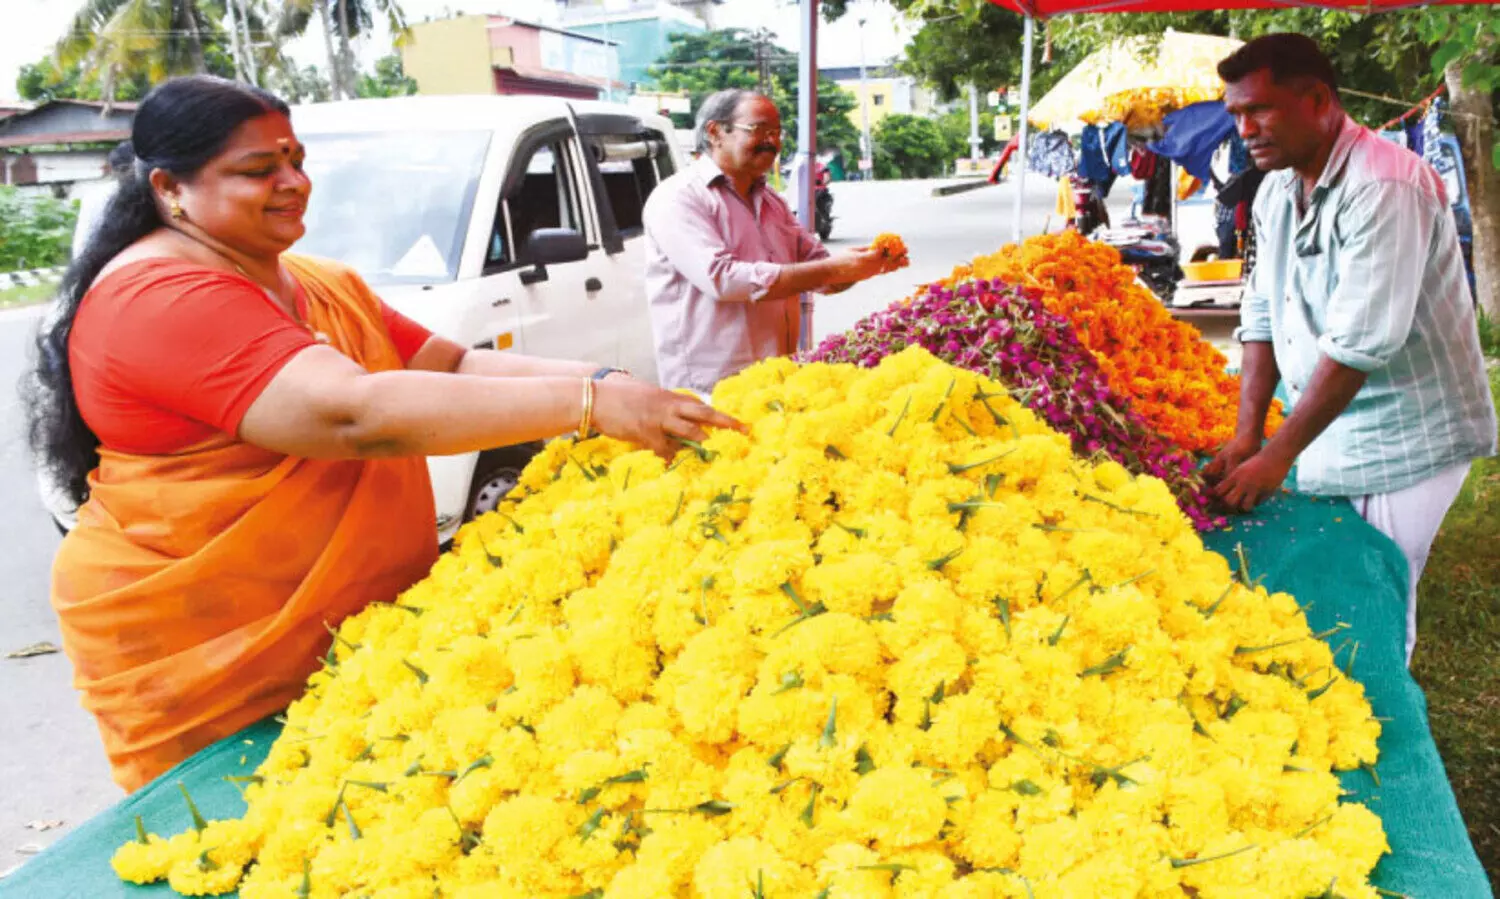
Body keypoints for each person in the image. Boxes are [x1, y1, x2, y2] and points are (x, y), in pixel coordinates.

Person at [22, 75, 741, 791]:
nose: (293, 183)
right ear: (169, 188)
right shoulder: (157, 296)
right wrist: (590, 405)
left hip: (350, 636)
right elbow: (352, 416)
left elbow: (452, 364)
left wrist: (611, 383)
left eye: (295, 160)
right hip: (211, 645)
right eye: (258, 169)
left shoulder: (317, 281)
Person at [1204, 35, 1497, 663]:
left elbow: (1360, 346)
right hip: (1333, 424)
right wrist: (1247, 435)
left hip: (1407, 434)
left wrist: (1277, 455)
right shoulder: (1277, 189)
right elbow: (1261, 314)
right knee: (1334, 583)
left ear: (1317, 100)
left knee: (1376, 598)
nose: (1245, 130)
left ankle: (1379, 712)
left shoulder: (1386, 184)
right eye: (1235, 114)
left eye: (1259, 109)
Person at [642, 89, 902, 395]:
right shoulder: (679, 197)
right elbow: (723, 279)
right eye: (759, 129)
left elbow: (819, 271)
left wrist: (864, 265)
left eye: (777, 132)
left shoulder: (771, 201)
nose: (772, 141)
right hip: (710, 392)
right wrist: (834, 269)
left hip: (777, 384)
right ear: (715, 133)